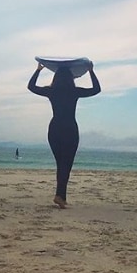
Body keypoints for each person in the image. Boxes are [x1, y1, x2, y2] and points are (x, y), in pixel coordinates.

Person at [27, 61, 101, 208]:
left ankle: (61, 197)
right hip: (70, 129)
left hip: (54, 129)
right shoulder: (74, 92)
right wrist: (91, 71)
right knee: (65, 165)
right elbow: (96, 89)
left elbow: (31, 87)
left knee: (61, 164)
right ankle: (60, 196)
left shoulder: (51, 91)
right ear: (71, 78)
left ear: (56, 77)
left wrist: (38, 70)